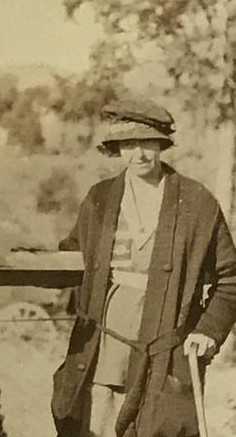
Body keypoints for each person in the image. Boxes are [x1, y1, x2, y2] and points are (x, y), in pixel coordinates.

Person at [52, 97, 236, 437]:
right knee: (97, 422)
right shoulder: (100, 199)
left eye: (147, 143)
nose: (139, 154)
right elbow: (71, 258)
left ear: (162, 144)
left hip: (166, 345)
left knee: (161, 423)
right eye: (128, 144)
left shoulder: (197, 203)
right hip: (106, 340)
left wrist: (207, 331)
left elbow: (230, 279)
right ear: (117, 148)